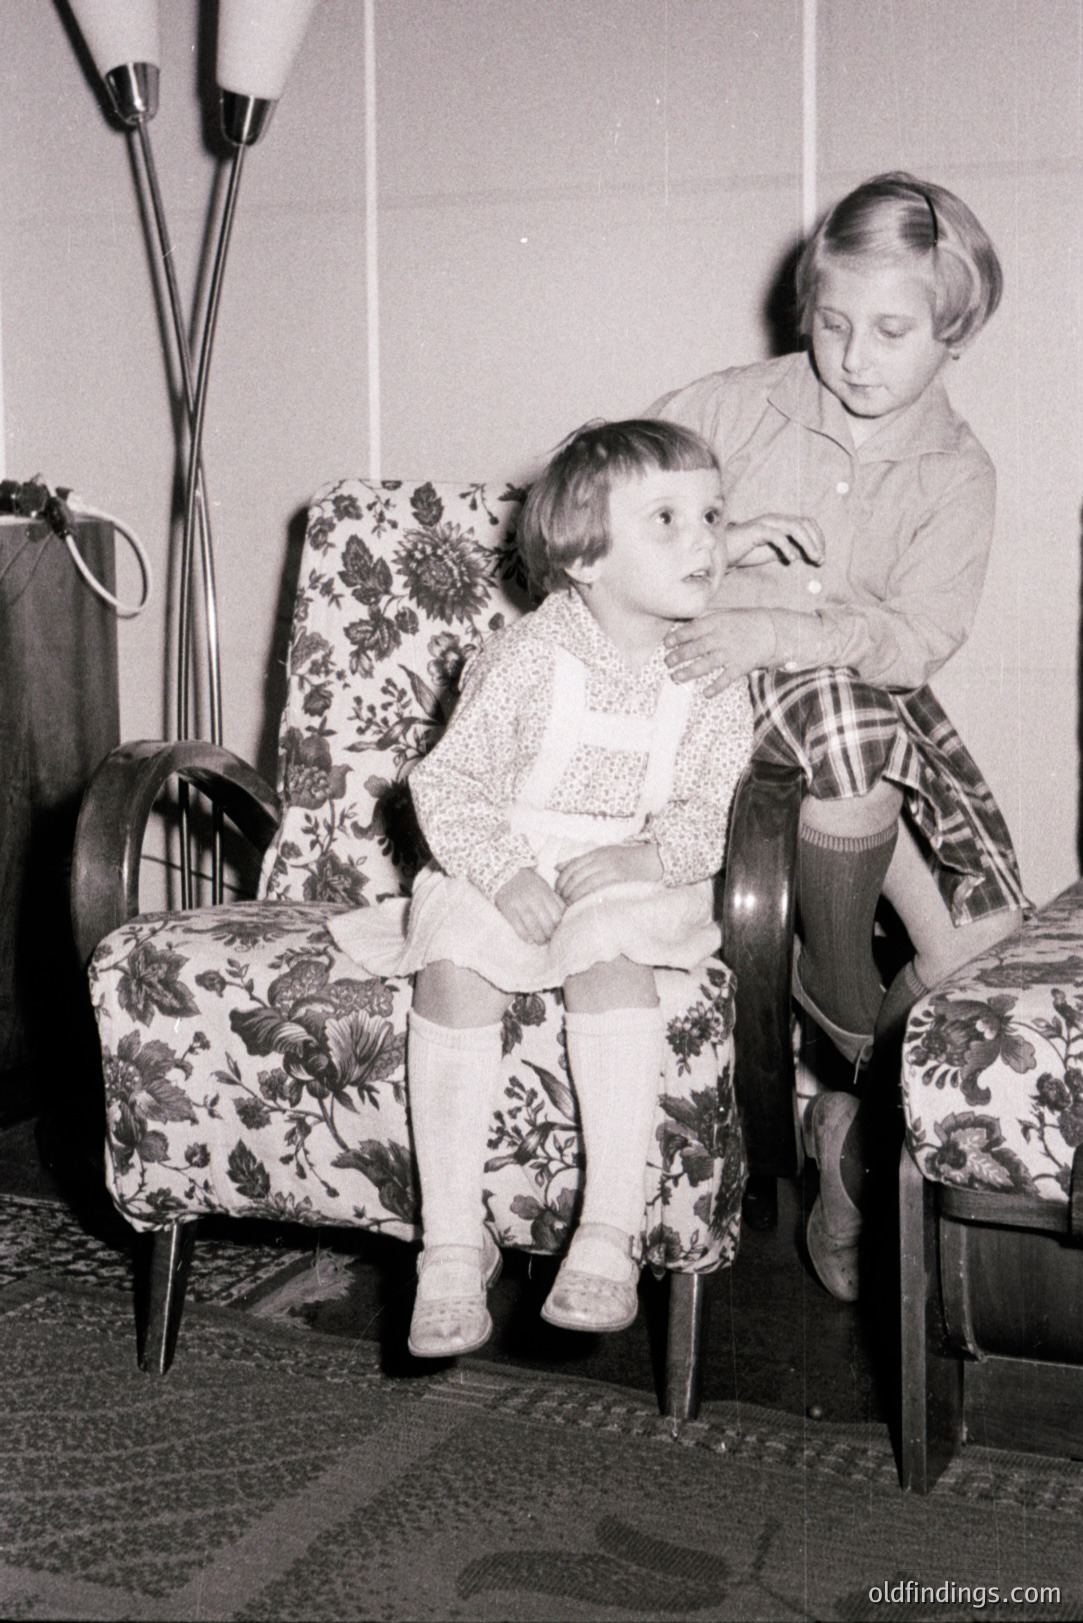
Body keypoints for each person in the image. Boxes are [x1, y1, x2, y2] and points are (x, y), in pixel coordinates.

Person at [652, 172, 1026, 1301]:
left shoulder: (958, 471)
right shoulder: (722, 408)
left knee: (988, 927)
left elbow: (917, 640)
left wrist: (799, 616)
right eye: (832, 323)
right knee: (849, 733)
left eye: (893, 330)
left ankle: (848, 1115)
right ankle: (861, 1059)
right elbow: (592, 552)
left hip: (866, 712)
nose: (856, 357)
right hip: (701, 710)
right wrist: (727, 583)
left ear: (955, 328)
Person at [330, 418, 766, 1358]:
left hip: (635, 872)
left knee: (608, 956)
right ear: (585, 558)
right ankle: (449, 1243)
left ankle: (607, 1231)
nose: (704, 539)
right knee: (454, 963)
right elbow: (445, 786)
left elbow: (707, 809)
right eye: (665, 518)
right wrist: (503, 873)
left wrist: (646, 859)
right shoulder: (527, 658)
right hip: (510, 852)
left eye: (712, 515)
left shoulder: (712, 676)